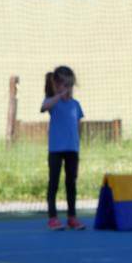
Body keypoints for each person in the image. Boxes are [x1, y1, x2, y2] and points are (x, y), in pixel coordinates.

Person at [41, 65, 85, 230]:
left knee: (71, 183)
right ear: (56, 85)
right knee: (54, 182)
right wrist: (58, 96)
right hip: (56, 150)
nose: (68, 89)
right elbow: (43, 107)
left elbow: (78, 124)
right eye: (64, 85)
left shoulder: (75, 104)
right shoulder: (53, 103)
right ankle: (52, 217)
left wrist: (77, 144)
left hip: (72, 150)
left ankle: (72, 217)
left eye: (70, 85)